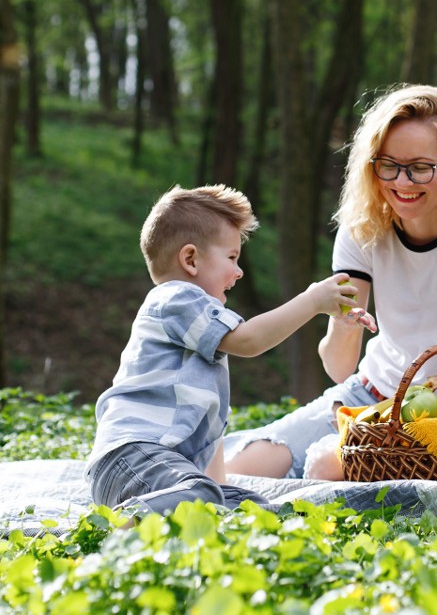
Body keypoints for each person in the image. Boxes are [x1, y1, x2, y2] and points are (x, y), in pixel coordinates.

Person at [224, 84, 437, 480]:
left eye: (420, 167)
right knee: (241, 470)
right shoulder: (364, 226)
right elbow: (340, 365)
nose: (402, 182)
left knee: (326, 469)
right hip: (369, 395)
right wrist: (345, 322)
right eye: (388, 165)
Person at [85, 184, 376, 516]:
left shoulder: (198, 332)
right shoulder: (176, 298)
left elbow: (209, 448)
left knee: (255, 509)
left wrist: (225, 497)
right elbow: (250, 340)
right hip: (131, 458)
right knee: (199, 494)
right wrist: (312, 302)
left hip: (165, 470)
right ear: (190, 259)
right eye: (232, 257)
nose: (239, 271)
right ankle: (122, 528)